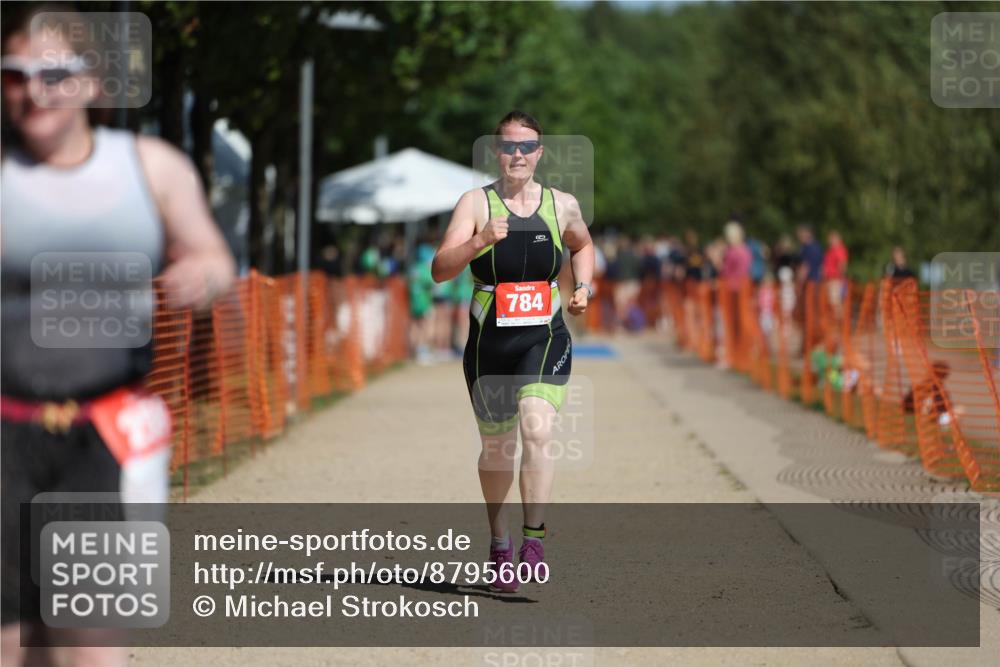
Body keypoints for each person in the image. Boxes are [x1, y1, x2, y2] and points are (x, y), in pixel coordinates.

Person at [1, 7, 235, 665]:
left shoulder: (150, 167)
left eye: (53, 73)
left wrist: (202, 273)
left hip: (110, 429)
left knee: (91, 644)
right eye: (15, 74)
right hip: (6, 429)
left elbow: (216, 257)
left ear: (92, 83)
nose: (34, 89)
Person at [431, 110, 594, 593]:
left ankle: (534, 541)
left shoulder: (561, 204)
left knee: (537, 426)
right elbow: (440, 269)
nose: (517, 155)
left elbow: (583, 244)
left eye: (527, 147)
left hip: (543, 336)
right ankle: (499, 542)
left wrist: (583, 286)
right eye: (508, 146)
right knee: (496, 449)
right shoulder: (474, 204)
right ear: (496, 152)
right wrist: (480, 240)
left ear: (540, 153)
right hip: (489, 344)